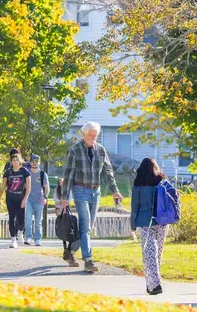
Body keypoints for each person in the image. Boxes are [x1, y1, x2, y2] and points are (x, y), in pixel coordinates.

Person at [60, 121, 124, 273]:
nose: (93, 138)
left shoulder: (101, 150)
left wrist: (115, 190)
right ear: (83, 134)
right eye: (91, 136)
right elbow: (68, 175)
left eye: (96, 136)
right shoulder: (74, 150)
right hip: (80, 190)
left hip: (96, 191)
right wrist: (64, 197)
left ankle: (70, 251)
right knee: (85, 225)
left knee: (87, 227)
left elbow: (107, 172)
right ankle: (88, 260)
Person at [131, 158, 168, 295]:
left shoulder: (138, 184)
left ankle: (153, 284)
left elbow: (135, 205)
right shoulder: (161, 181)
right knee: (157, 252)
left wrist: (133, 224)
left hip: (144, 221)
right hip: (162, 221)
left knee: (149, 253)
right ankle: (154, 283)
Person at [0, 153, 30, 248]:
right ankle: (13, 240)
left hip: (21, 198)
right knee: (12, 218)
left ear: (20, 161)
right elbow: (3, 187)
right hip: (10, 198)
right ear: (11, 162)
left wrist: (25, 199)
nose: (15, 162)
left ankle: (20, 232)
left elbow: (28, 187)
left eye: (17, 160)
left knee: (21, 219)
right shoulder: (8, 172)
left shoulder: (25, 171)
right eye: (13, 160)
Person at [24, 155, 49, 246]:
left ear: (39, 163)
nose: (34, 163)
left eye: (36, 161)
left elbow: (46, 188)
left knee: (38, 221)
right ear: (30, 163)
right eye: (33, 161)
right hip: (29, 200)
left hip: (39, 200)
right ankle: (28, 237)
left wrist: (45, 197)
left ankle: (37, 238)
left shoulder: (43, 174)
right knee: (28, 219)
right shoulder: (27, 173)